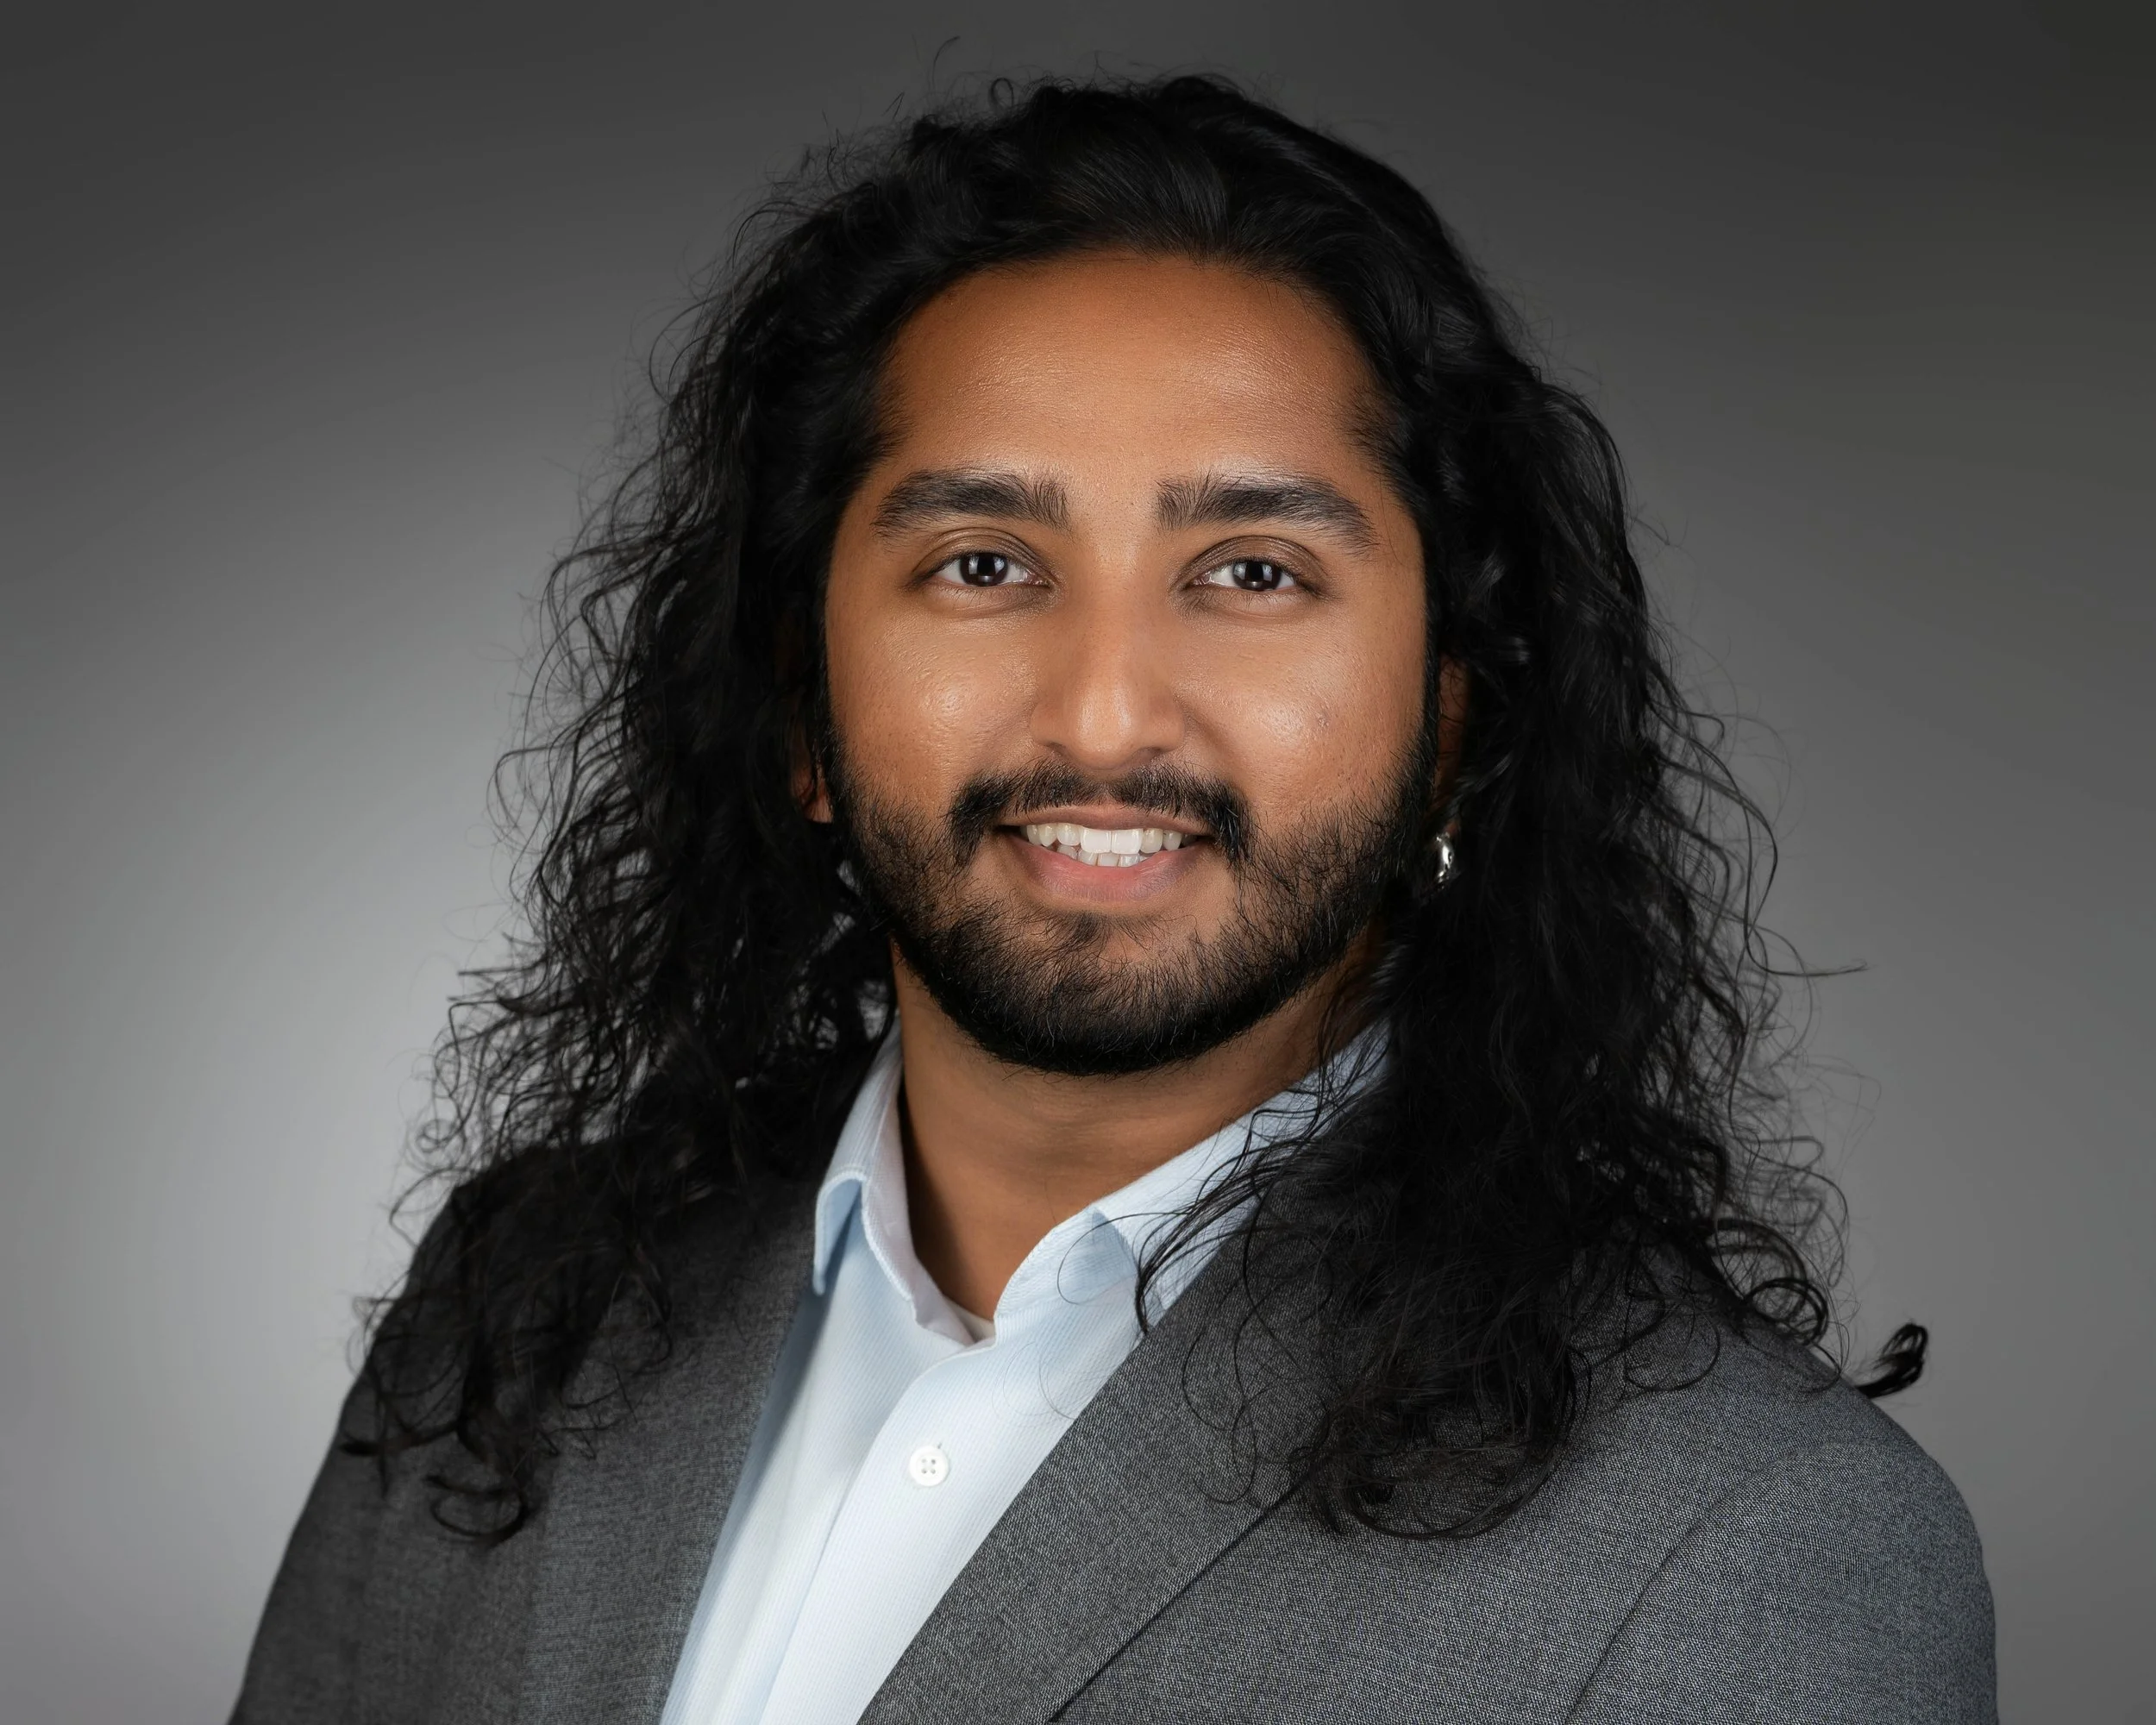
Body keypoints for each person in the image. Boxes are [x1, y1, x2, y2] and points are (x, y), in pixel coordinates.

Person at [232, 74, 1995, 1723]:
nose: (1100, 712)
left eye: (1250, 569)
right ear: (800, 710)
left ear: (1455, 716)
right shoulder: (520, 1309)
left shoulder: (1754, 1549)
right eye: (982, 563)